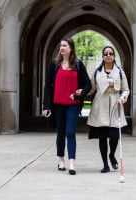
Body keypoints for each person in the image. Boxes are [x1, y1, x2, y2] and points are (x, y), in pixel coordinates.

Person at [42, 37, 91, 175]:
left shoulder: (78, 65)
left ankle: (71, 163)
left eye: (64, 45)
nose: (61, 48)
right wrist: (46, 105)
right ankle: (61, 160)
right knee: (61, 133)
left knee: (70, 132)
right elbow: (47, 87)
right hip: (57, 104)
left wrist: (81, 93)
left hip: (73, 104)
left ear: (71, 48)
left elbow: (88, 84)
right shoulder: (54, 64)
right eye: (61, 45)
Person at [87, 46, 130, 173]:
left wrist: (122, 98)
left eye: (111, 53)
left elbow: (126, 90)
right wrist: (81, 92)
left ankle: (112, 155)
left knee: (114, 136)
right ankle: (105, 164)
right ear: (102, 56)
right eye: (105, 53)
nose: (108, 55)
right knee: (102, 137)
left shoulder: (120, 72)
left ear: (114, 56)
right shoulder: (97, 72)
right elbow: (92, 89)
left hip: (115, 107)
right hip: (100, 107)